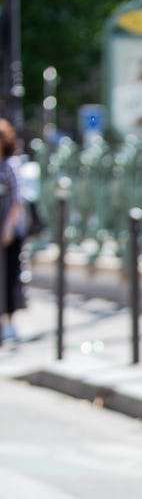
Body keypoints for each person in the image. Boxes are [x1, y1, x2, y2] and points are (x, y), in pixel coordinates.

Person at [0, 119, 25, 346]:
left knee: (9, 277)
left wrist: (7, 228)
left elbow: (18, 200)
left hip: (9, 232)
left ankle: (9, 324)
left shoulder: (11, 164)